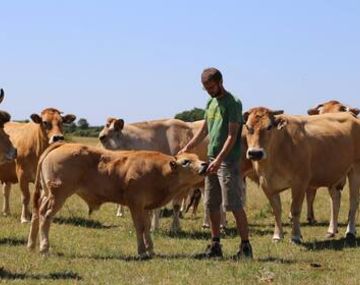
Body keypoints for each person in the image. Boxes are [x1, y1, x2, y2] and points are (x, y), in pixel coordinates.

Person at [178, 67, 252, 259]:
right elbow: (204, 131)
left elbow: (232, 135)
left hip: (228, 161)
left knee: (234, 204)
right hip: (211, 160)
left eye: (211, 86)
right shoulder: (210, 102)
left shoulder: (233, 103)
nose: (209, 90)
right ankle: (215, 246)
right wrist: (187, 147)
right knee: (211, 204)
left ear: (220, 82)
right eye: (206, 88)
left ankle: (245, 248)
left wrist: (219, 160)